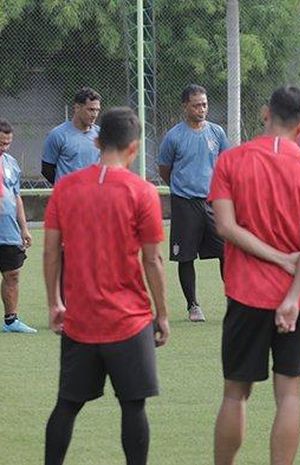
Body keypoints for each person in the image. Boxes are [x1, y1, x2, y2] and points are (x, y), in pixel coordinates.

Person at [210, 86, 300, 465]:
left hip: (247, 293)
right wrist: (294, 294)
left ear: (266, 113)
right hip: (299, 298)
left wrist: (276, 258)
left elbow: (226, 227)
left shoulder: (231, 161)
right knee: (290, 396)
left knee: (235, 394)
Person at [43, 107, 170, 465]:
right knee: (133, 406)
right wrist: (162, 314)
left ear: (97, 142)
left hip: (80, 322)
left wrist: (55, 303)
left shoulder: (65, 189)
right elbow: (153, 260)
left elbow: (51, 252)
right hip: (129, 322)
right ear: (134, 148)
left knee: (66, 406)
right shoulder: (142, 192)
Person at [158, 84, 230, 322]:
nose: (202, 109)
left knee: (226, 252)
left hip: (212, 202)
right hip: (185, 203)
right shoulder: (174, 136)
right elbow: (165, 169)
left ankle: (233, 300)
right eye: (197, 105)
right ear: (185, 107)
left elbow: (225, 164)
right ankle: (193, 306)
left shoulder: (217, 133)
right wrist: (182, 187)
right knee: (185, 256)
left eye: (205, 104)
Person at [0, 119, 36, 334]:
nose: (3, 148)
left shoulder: (12, 163)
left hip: (9, 230)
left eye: (7, 143)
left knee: (12, 274)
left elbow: (17, 197)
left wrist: (24, 228)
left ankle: (11, 321)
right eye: (0, 143)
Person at [42, 87, 102, 185]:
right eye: (91, 110)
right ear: (77, 108)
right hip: (67, 197)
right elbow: (47, 169)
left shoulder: (100, 134)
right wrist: (66, 187)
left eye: (97, 110)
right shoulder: (58, 135)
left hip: (93, 196)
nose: (94, 115)